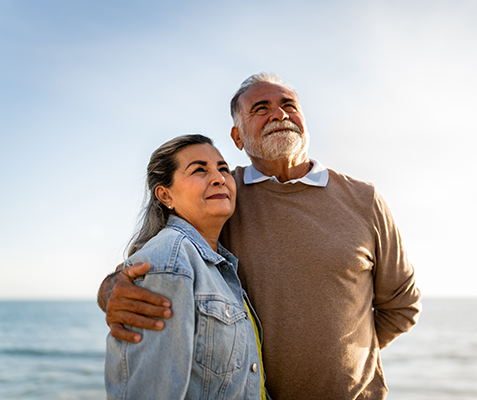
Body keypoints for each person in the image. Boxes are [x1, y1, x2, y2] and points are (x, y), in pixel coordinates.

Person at [99, 73, 422, 400]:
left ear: (304, 122)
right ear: (237, 137)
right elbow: (154, 259)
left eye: (288, 105)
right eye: (260, 108)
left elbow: (402, 305)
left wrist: (346, 360)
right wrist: (111, 288)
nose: (279, 114)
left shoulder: (363, 199)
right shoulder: (222, 197)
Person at [104, 134, 268, 400]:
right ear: (165, 195)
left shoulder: (221, 266)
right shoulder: (169, 259)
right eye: (199, 170)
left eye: (223, 169)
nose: (219, 178)